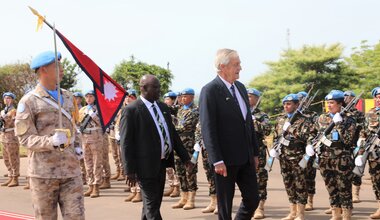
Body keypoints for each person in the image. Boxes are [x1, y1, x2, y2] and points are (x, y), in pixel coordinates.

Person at [15, 51, 84, 219]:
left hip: (71, 171)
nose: (62, 69)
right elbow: (24, 138)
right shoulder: (29, 101)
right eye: (57, 66)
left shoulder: (68, 97)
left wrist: (77, 146)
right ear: (44, 70)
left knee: (76, 216)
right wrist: (50, 141)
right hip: (43, 173)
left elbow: (74, 126)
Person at [120, 74, 192, 220]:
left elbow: (172, 135)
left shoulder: (163, 107)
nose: (159, 90)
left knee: (153, 203)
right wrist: (129, 170)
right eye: (156, 87)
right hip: (144, 166)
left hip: (161, 163)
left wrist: (185, 158)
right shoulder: (131, 110)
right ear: (143, 88)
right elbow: (126, 142)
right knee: (152, 206)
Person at [199, 48, 260, 220]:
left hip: (246, 157)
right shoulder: (210, 90)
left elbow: (248, 123)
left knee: (253, 199)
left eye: (239, 63)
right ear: (222, 67)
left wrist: (254, 152)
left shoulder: (240, 88)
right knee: (225, 207)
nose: (240, 67)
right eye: (236, 64)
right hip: (224, 160)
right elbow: (207, 128)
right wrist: (216, 159)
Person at [306, 90, 356, 220]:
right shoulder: (322, 118)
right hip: (324, 158)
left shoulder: (349, 119)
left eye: (332, 103)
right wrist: (310, 144)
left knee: (344, 189)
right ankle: (335, 214)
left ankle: (346, 216)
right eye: (328, 102)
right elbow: (312, 133)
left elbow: (348, 140)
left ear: (340, 104)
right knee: (331, 188)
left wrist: (339, 124)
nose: (329, 105)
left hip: (341, 159)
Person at [272, 94, 311, 220]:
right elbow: (275, 136)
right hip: (284, 158)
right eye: (284, 104)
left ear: (296, 105)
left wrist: (291, 130)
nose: (285, 106)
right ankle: (292, 212)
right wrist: (274, 148)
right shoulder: (280, 119)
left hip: (298, 158)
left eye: (289, 104)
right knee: (288, 184)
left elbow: (306, 137)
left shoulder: (303, 120)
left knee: (300, 185)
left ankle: (300, 214)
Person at [172, 88, 199, 210]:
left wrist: (171, 128)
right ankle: (183, 197)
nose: (182, 99)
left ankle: (191, 199)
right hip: (178, 145)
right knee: (179, 171)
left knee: (190, 172)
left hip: (189, 145)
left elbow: (184, 126)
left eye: (185, 96)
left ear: (192, 97)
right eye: (181, 97)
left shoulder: (195, 111)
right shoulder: (180, 110)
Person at [355, 87, 380, 219]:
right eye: (377, 96)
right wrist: (360, 149)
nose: (379, 98)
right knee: (376, 181)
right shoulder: (371, 113)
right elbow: (364, 132)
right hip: (374, 154)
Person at [247, 88, 271, 219]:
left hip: (257, 151)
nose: (247, 98)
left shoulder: (262, 115)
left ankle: (260, 207)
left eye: (250, 96)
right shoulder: (240, 112)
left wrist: (254, 121)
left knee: (260, 179)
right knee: (246, 179)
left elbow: (267, 130)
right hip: (242, 150)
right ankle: (248, 206)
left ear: (256, 99)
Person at [79, 90, 104, 198]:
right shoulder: (82, 109)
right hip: (85, 137)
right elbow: (78, 122)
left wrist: (94, 115)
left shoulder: (99, 109)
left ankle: (96, 186)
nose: (88, 98)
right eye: (87, 96)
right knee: (87, 162)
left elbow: (103, 123)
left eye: (90, 96)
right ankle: (90, 185)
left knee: (96, 162)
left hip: (96, 136)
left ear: (95, 97)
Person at [297, 91, 319, 212]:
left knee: (310, 175)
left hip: (308, 149)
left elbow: (317, 130)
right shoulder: (294, 115)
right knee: (298, 177)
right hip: (295, 151)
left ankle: (310, 200)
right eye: (299, 100)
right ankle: (299, 202)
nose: (302, 102)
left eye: (304, 100)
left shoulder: (313, 115)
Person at [343, 91, 365, 204]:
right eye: (345, 96)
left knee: (357, 170)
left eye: (349, 97)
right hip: (343, 146)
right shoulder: (340, 113)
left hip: (355, 145)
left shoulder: (359, 114)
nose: (346, 99)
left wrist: (361, 144)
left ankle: (355, 193)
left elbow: (363, 129)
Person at [195, 121, 218, 214]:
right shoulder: (203, 117)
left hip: (216, 150)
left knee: (218, 178)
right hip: (205, 149)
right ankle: (213, 202)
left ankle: (220, 204)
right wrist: (197, 142)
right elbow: (197, 131)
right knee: (210, 177)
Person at [162, 91, 181, 198]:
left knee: (175, 166)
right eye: (165, 99)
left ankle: (177, 187)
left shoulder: (177, 110)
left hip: (176, 140)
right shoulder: (165, 111)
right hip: (167, 141)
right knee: (168, 166)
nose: (165, 101)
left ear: (173, 100)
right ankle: (171, 185)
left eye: (168, 99)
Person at [0, 92, 20, 187]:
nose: (6, 100)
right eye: (5, 98)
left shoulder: (14, 111)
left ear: (12, 100)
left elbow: (16, 122)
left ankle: (15, 178)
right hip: (4, 136)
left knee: (13, 158)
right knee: (6, 158)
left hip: (12, 137)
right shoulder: (2, 111)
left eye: (9, 98)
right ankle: (10, 176)